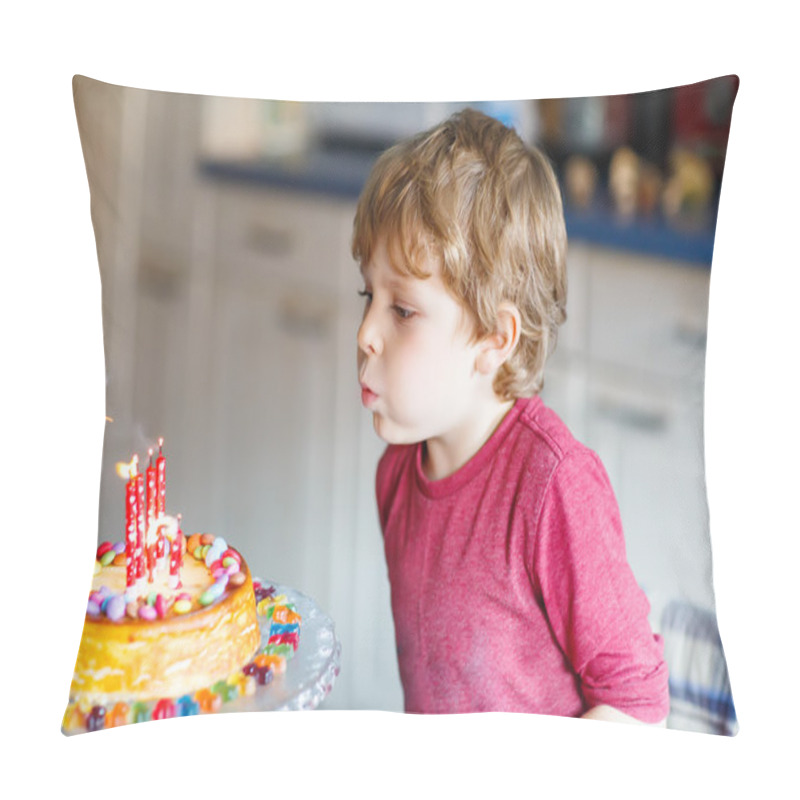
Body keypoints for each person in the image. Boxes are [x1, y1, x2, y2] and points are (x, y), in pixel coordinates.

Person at [352, 108, 669, 724]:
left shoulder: (554, 488)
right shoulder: (395, 476)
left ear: (494, 338)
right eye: (368, 296)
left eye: (403, 311)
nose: (365, 332)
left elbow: (637, 708)